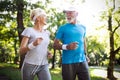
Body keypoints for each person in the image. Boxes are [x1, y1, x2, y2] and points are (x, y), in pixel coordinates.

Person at [53, 6, 91, 80]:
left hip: (82, 60)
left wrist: (85, 54)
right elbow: (54, 45)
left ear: (77, 14)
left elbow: (83, 42)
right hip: (68, 62)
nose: (68, 15)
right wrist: (67, 47)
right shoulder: (62, 28)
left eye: (70, 12)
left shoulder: (83, 27)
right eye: (66, 13)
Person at [19, 8, 52, 80]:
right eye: (44, 16)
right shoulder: (29, 30)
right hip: (30, 65)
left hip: (44, 65)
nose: (46, 18)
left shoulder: (47, 33)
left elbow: (43, 47)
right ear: (38, 18)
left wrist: (48, 52)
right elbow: (21, 51)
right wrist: (33, 44)